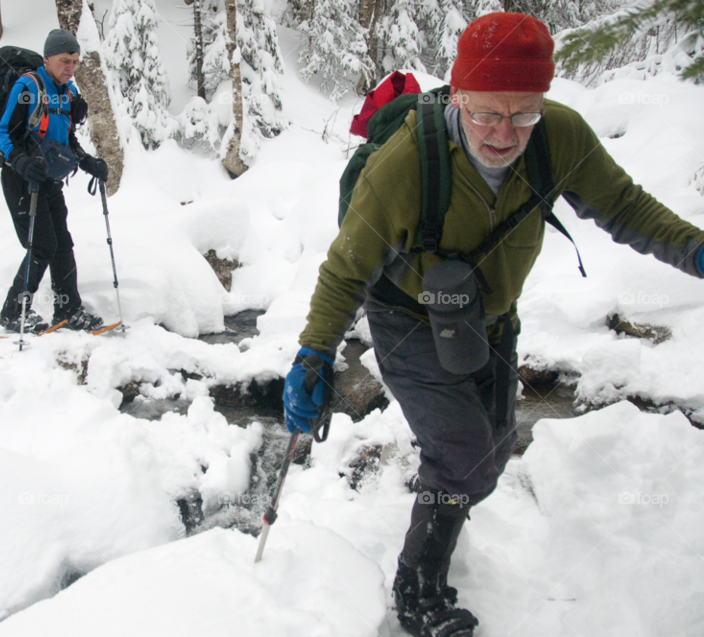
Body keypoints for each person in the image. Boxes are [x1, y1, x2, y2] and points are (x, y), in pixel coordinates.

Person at [283, 12, 704, 637]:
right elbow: (347, 267)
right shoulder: (405, 164)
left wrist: (695, 251)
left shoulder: (558, 137)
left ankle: (442, 505)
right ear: (459, 96)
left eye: (523, 114)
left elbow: (626, 207)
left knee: (494, 448)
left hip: (490, 318)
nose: (505, 134)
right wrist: (314, 354)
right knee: (463, 451)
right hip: (406, 316)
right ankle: (417, 588)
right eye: (486, 113)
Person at [0, 29, 109, 334]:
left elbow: (66, 140)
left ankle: (68, 310)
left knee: (62, 246)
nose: (70, 66)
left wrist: (87, 162)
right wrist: (18, 161)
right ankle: (12, 313)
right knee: (42, 245)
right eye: (64, 60)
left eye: (74, 60)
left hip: (49, 181)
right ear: (47, 59)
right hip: (21, 179)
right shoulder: (28, 87)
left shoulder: (68, 93)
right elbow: (4, 132)